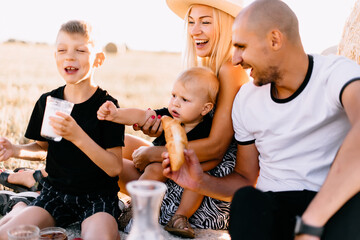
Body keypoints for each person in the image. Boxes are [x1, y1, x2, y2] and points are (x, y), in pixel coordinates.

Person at [162, 0, 360, 240]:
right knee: (246, 201)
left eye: (242, 47)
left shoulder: (336, 73)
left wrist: (311, 222)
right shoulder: (247, 99)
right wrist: (199, 181)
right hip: (272, 209)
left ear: (274, 40)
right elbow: (245, 179)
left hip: (332, 206)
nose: (235, 59)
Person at [119, 0, 249, 237]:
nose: (194, 30)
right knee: (122, 142)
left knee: (110, 162)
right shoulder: (212, 66)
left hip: (209, 182)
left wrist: (154, 154)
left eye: (205, 22)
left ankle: (144, 210)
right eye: (191, 22)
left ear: (225, 24)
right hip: (192, 155)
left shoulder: (231, 70)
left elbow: (216, 147)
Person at [0, 20, 124, 240]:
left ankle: (21, 207)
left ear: (98, 59)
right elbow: (43, 147)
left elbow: (114, 167)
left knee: (102, 237)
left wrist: (77, 136)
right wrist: (16, 149)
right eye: (62, 50)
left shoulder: (107, 107)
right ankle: (20, 208)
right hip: (54, 193)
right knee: (7, 234)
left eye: (80, 50)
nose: (70, 56)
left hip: (97, 197)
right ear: (55, 57)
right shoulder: (48, 102)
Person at [98, 66, 218, 238]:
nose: (175, 103)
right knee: (125, 142)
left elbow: (204, 161)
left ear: (205, 108)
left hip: (178, 178)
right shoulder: (170, 116)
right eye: (174, 95)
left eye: (184, 99)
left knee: (190, 175)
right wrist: (116, 114)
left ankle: (172, 216)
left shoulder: (206, 130)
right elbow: (141, 115)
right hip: (154, 165)